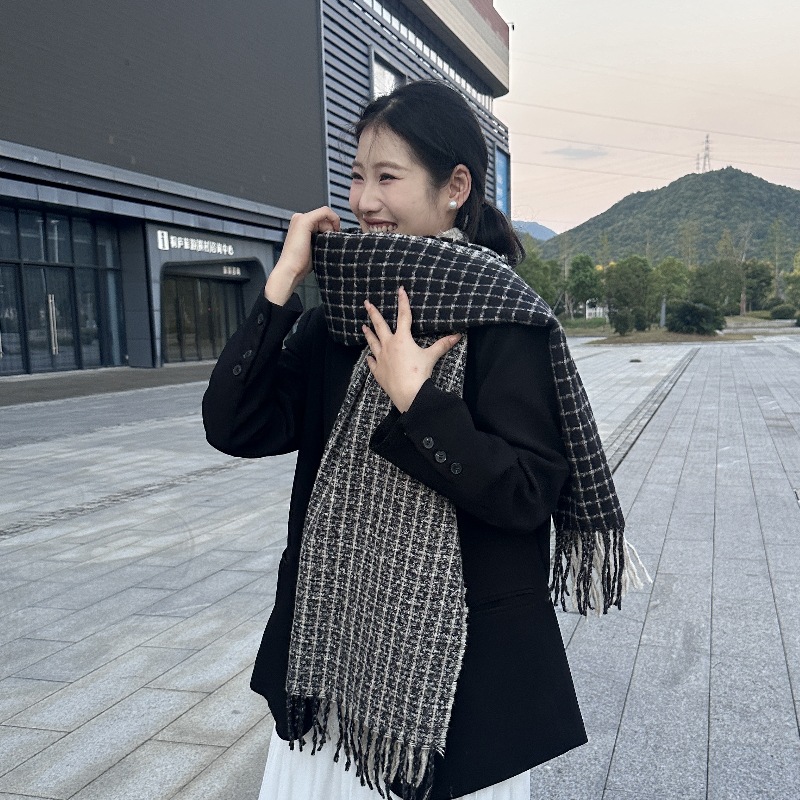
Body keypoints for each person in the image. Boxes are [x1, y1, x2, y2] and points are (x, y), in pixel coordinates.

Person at [203, 80, 642, 800]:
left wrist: (419, 403)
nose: (364, 200)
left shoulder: (503, 319)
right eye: (355, 176)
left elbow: (527, 495)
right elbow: (234, 425)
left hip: (457, 682)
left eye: (387, 177)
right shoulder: (340, 317)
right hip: (330, 658)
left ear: (454, 188)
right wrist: (283, 281)